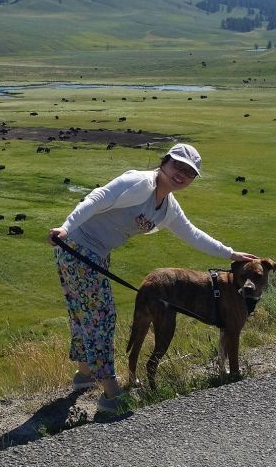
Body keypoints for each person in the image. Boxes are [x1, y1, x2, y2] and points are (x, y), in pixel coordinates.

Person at [47, 143, 256, 413]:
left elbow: (192, 234)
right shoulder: (139, 183)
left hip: (94, 254)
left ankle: (84, 376)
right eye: (177, 166)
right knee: (101, 317)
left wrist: (230, 254)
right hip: (77, 247)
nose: (180, 174)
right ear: (164, 162)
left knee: (83, 313)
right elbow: (97, 198)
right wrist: (65, 227)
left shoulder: (167, 207)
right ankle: (111, 394)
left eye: (188, 172)